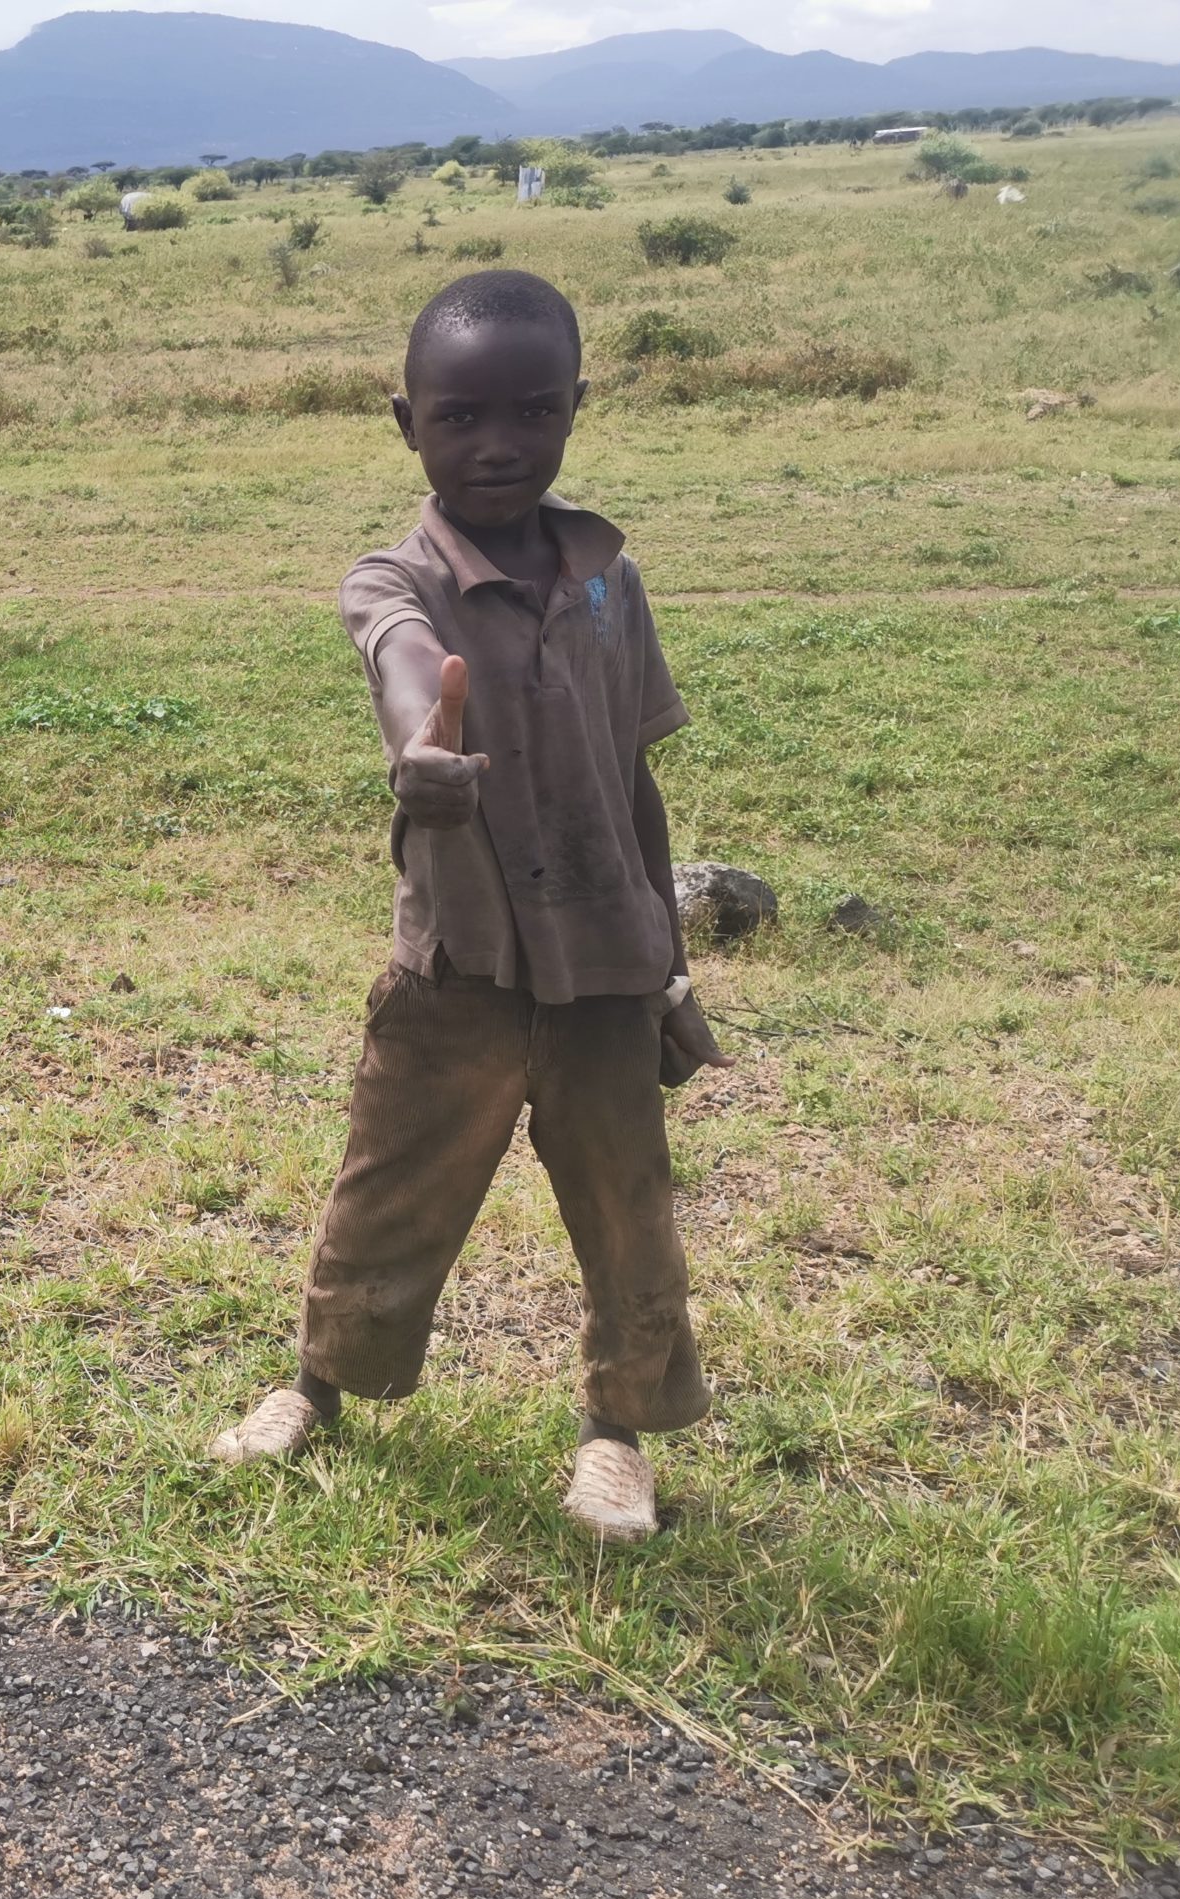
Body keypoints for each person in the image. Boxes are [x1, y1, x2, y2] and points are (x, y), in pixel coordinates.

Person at [207, 271, 731, 1545]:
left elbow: (635, 776)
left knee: (626, 1206)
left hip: (606, 962)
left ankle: (616, 1435)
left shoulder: (607, 578)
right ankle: (317, 1386)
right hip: (458, 965)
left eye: (532, 411)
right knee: (390, 1189)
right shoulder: (395, 578)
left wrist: (667, 966)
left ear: (577, 407)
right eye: (458, 417)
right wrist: (419, 756)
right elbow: (397, 654)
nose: (497, 443)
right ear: (407, 423)